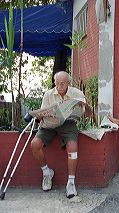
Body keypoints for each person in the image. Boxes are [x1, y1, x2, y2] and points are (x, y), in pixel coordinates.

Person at [30, 71, 86, 199]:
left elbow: (84, 110)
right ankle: (46, 173)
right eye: (57, 83)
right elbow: (43, 113)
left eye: (62, 84)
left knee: (72, 147)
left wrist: (81, 109)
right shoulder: (48, 95)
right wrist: (42, 116)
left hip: (68, 123)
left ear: (68, 83)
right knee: (35, 144)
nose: (59, 86)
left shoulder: (76, 93)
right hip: (50, 124)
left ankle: (71, 183)